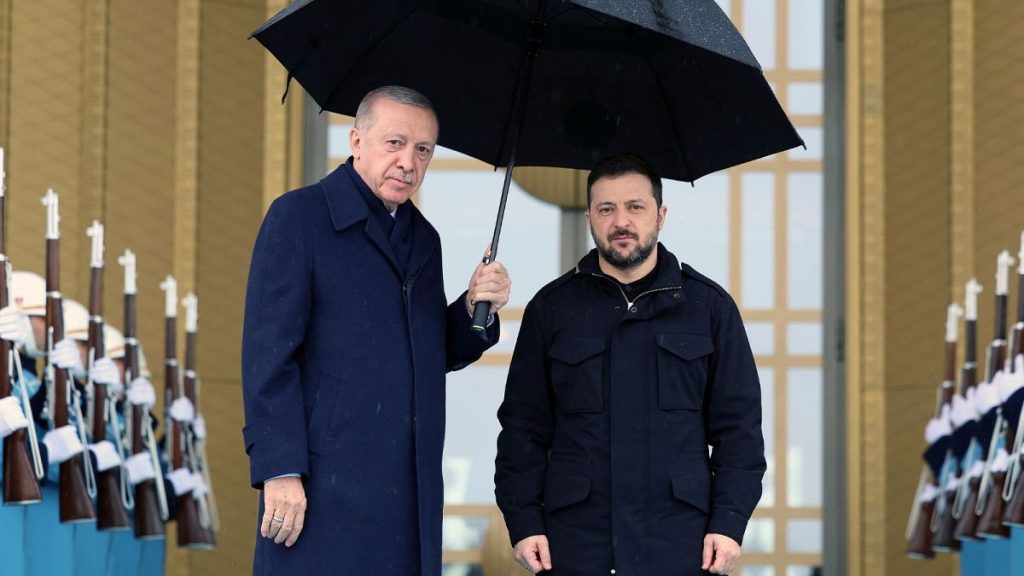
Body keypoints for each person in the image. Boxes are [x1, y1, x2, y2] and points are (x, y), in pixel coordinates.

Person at [241, 85, 511, 575]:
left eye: (423, 150)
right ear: (356, 140)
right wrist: (280, 469)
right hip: (320, 488)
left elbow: (428, 351)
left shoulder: (424, 240)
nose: (409, 161)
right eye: (395, 143)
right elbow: (267, 356)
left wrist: (474, 307)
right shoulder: (298, 218)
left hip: (407, 491)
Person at [494, 154, 765, 576]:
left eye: (635, 207)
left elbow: (739, 431)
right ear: (589, 218)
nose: (621, 221)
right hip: (577, 543)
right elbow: (523, 429)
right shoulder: (552, 309)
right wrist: (524, 522)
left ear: (661, 215)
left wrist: (729, 522)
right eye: (606, 209)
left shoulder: (709, 308)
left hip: (681, 541)